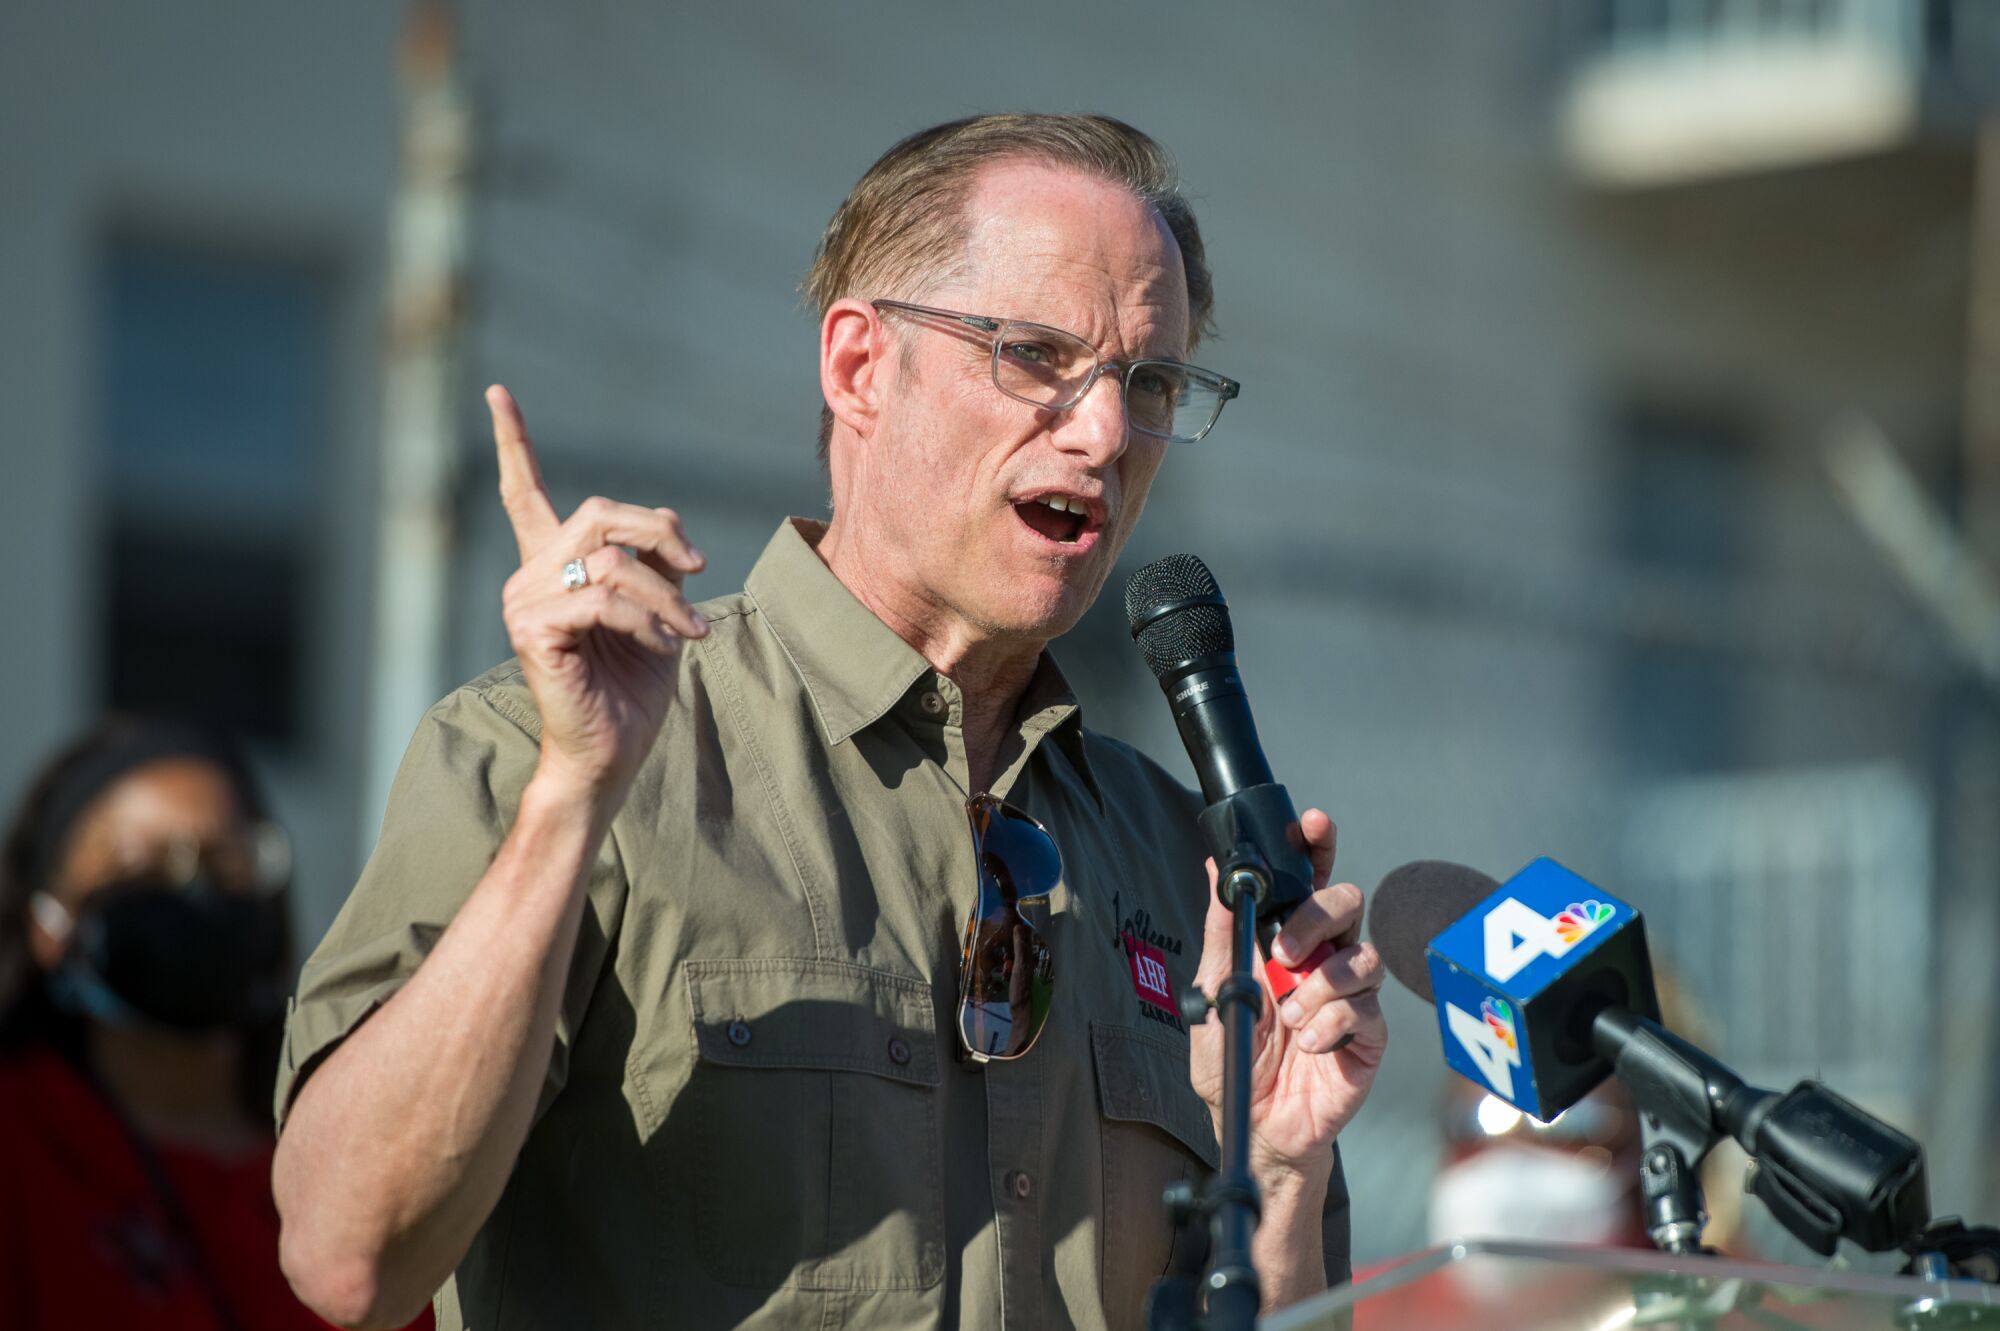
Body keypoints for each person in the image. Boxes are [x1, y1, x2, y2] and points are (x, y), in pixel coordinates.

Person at [272, 114, 1389, 1331]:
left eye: (1150, 382)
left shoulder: (1184, 862)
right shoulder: (568, 746)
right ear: (859, 367)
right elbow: (347, 1256)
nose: (1106, 432)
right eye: (1035, 355)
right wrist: (568, 803)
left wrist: (1278, 1175)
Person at [0, 718, 430, 1329]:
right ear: (48, 922)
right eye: (140, 862)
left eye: (226, 860)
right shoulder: (19, 1143)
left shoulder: (352, 1152)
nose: (193, 890)